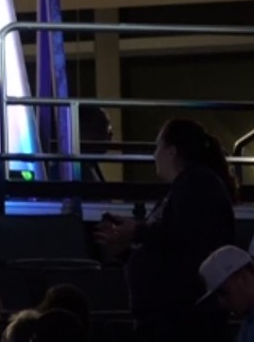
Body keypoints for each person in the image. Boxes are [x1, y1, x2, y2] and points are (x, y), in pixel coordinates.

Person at [94, 119, 236, 342]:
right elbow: (166, 242)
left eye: (157, 147)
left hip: (182, 322)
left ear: (171, 151)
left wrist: (136, 232)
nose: (154, 155)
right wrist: (127, 246)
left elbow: (183, 236)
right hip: (167, 320)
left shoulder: (198, 185)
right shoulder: (185, 188)